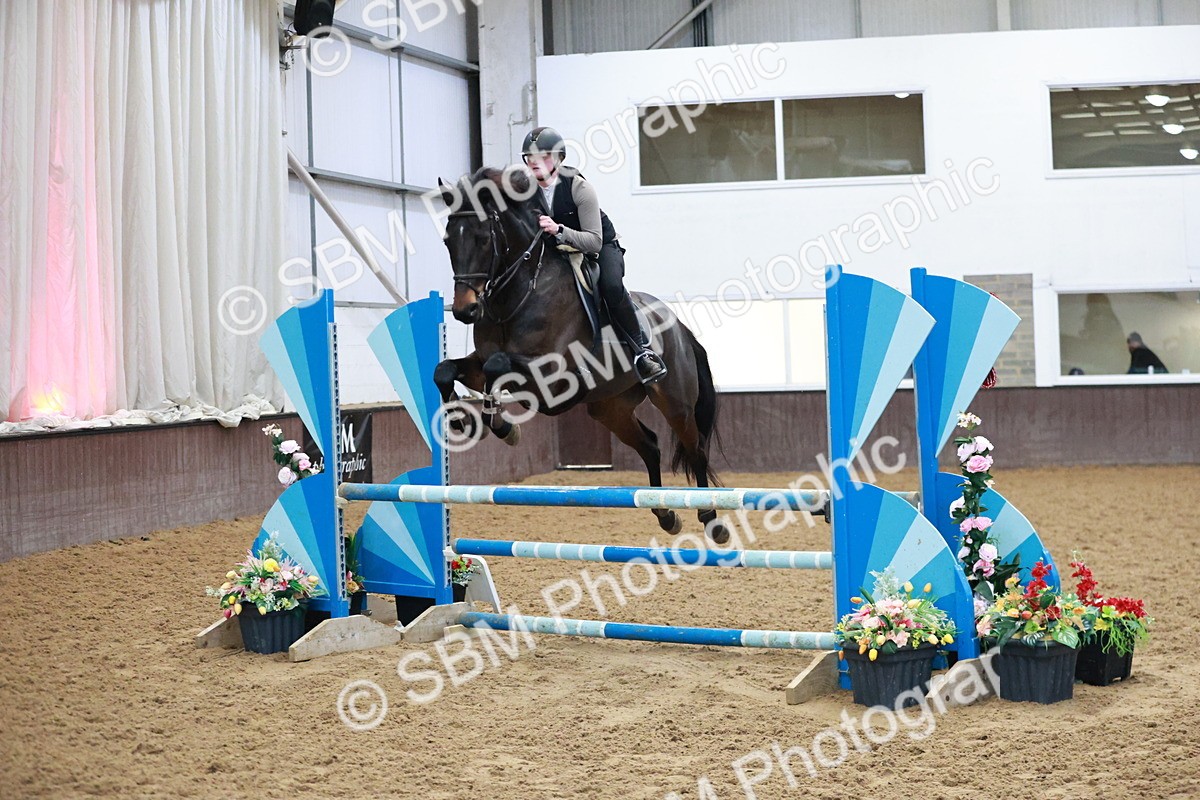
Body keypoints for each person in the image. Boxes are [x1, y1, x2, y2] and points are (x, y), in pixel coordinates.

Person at [520, 126, 668, 385]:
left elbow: (594, 242)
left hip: (599, 247)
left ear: (558, 159)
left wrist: (559, 230)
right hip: (557, 252)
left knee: (610, 285)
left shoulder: (579, 188)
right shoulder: (524, 192)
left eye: (542, 156)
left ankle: (641, 351)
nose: (534, 162)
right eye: (529, 157)